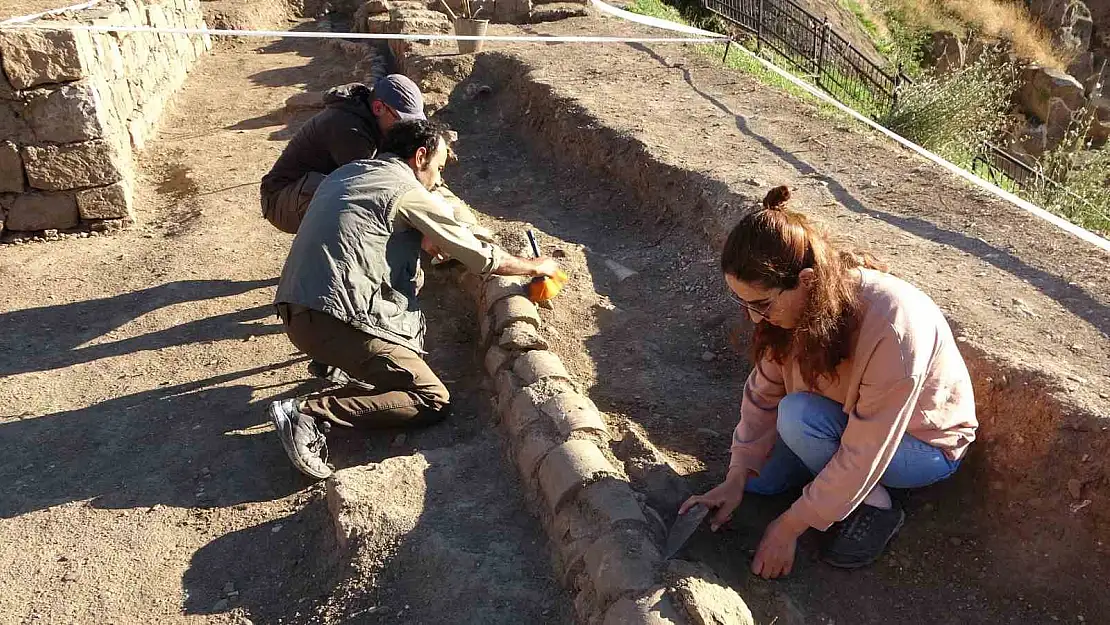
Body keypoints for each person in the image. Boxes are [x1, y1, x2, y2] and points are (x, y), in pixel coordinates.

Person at [680, 185, 977, 578]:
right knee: (761, 481)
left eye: (761, 305)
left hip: (919, 445)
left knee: (798, 416)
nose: (754, 318)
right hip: (840, 421)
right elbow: (762, 397)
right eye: (744, 304)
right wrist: (736, 477)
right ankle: (825, 484)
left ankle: (876, 505)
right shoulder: (792, 313)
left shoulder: (893, 326)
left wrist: (789, 526)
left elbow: (868, 449)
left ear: (804, 280)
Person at [268, 120, 563, 480]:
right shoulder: (406, 189)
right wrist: (536, 266)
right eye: (437, 168)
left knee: (401, 316)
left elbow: (365, 231)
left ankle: (338, 361)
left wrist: (419, 238)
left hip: (298, 309)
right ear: (420, 156)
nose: (437, 180)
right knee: (431, 398)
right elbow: (481, 257)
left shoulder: (350, 173)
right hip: (330, 318)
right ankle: (308, 415)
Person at [259, 74, 427, 234]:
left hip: (305, 190)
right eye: (403, 122)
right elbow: (371, 186)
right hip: (281, 200)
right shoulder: (348, 127)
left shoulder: (370, 120)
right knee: (356, 199)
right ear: (378, 108)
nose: (408, 129)